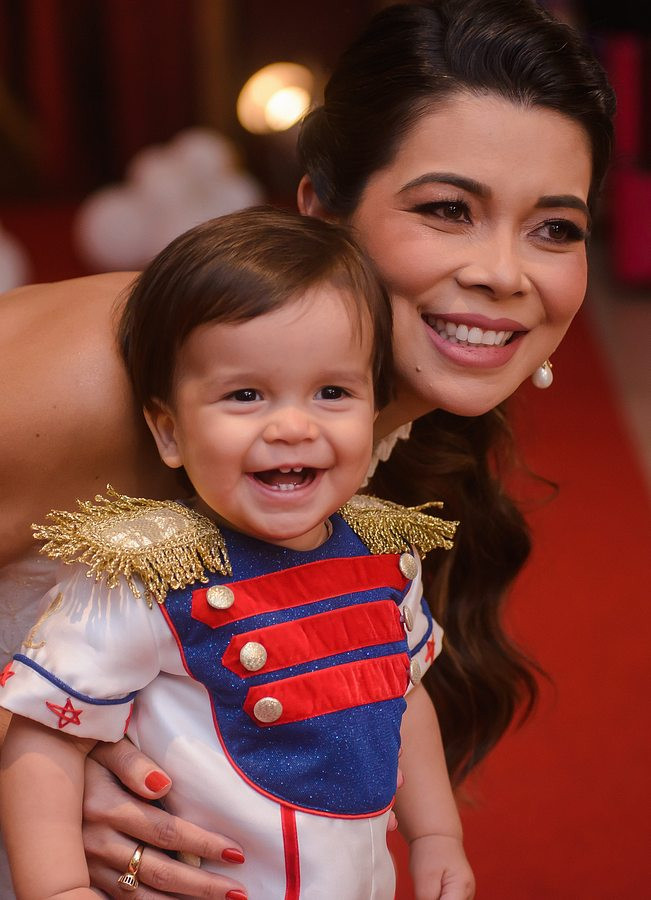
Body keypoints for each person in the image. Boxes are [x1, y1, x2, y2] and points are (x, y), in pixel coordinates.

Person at [0, 0, 615, 895]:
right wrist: (39, 775)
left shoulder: (358, 426)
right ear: (322, 211)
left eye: (554, 228)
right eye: (448, 209)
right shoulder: (109, 383)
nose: (503, 273)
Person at [0, 207, 473, 900]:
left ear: (373, 412)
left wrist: (435, 835)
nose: (292, 426)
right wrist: (61, 888)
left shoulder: (383, 557)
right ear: (169, 432)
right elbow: (45, 734)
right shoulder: (152, 573)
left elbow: (404, 693)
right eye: (245, 395)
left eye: (332, 392)